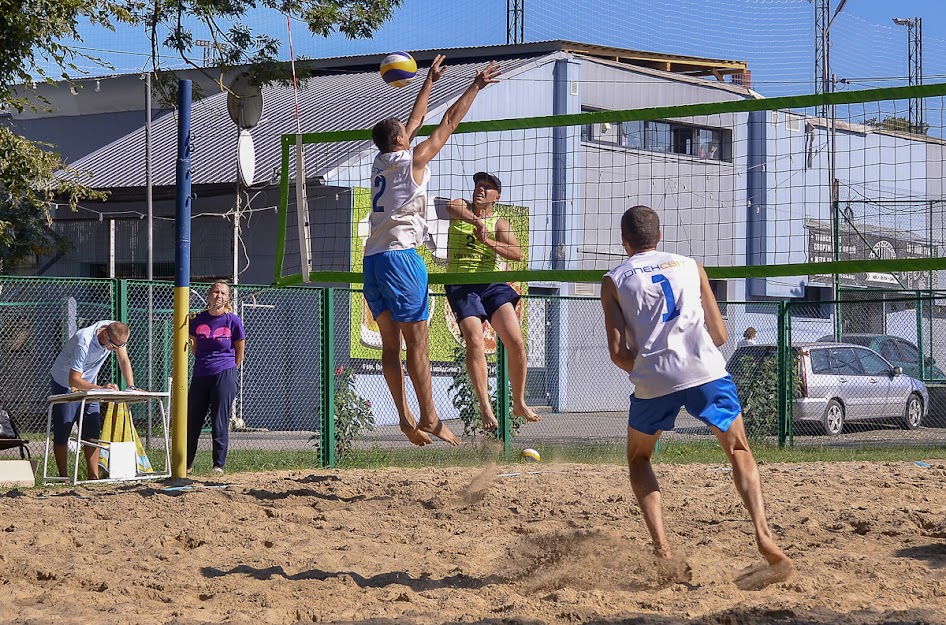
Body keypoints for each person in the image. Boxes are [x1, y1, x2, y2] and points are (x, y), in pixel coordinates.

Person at [600, 205, 792, 588]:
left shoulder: (614, 279)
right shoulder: (691, 265)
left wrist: (648, 369)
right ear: (660, 236)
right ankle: (764, 535)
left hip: (654, 374)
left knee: (639, 458)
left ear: (624, 242)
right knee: (738, 449)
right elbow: (719, 335)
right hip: (705, 368)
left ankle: (662, 547)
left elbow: (618, 354)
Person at [367, 55, 501, 447]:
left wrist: (429, 80)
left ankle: (406, 416)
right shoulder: (415, 159)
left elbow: (414, 121)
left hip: (373, 259)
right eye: (408, 134)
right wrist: (474, 85)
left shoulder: (381, 161)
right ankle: (428, 415)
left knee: (391, 346)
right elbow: (446, 123)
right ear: (403, 142)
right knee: (418, 342)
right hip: (401, 259)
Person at [444, 172, 541, 430]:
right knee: (475, 339)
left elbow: (517, 254)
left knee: (516, 341)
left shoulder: (500, 223)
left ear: (497, 197)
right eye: (478, 185)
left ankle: (518, 402)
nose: (481, 190)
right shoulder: (462, 208)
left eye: (488, 188)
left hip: (491, 282)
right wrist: (476, 221)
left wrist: (489, 241)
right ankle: (485, 407)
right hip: (462, 282)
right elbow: (449, 206)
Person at [49, 320, 136, 479]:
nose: (115, 350)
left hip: (90, 384)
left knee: (92, 430)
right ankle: (63, 477)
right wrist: (101, 389)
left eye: (119, 346)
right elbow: (74, 380)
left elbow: (123, 359)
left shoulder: (115, 332)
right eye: (114, 346)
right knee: (64, 429)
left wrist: (131, 386)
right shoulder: (84, 341)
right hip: (65, 381)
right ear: (105, 335)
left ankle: (93, 477)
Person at [186, 281, 245, 475]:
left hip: (224, 373)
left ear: (228, 298)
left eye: (223, 293)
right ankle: (186, 464)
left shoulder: (232, 320)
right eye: (215, 291)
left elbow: (239, 349)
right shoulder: (197, 319)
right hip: (201, 373)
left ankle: (218, 465)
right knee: (192, 420)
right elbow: (194, 345)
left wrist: (230, 367)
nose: (218, 295)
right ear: (209, 295)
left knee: (219, 421)